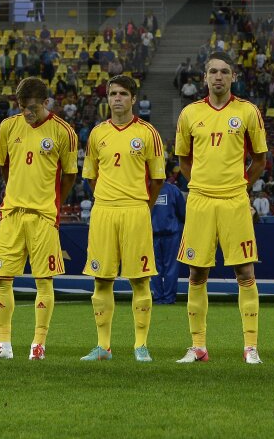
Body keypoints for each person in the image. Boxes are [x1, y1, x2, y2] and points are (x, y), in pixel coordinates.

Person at [173, 51, 268, 364]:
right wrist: (201, 183)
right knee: (196, 271)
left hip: (234, 200)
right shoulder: (189, 114)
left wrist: (240, 185)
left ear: (233, 77)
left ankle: (250, 347)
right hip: (200, 200)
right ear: (204, 77)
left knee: (245, 271)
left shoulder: (248, 112)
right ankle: (198, 346)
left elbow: (260, 159)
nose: (218, 77)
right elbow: (183, 159)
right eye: (213, 71)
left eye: (224, 71)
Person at [0, 76, 76, 361]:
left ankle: (38, 345)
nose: (27, 112)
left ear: (46, 103)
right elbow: (4, 167)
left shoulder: (63, 131)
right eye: (22, 107)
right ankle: (3, 344)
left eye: (33, 108)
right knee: (2, 279)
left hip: (43, 217)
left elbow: (69, 176)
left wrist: (52, 203)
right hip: (11, 214)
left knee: (43, 281)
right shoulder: (7, 127)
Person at [80, 75, 166, 362]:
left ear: (133, 99)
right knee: (101, 280)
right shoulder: (97, 134)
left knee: (140, 280)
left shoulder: (148, 133)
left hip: (135, 211)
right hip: (104, 211)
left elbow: (157, 179)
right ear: (107, 98)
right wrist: (108, 198)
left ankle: (140, 345)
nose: (117, 98)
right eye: (113, 94)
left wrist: (142, 206)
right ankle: (103, 347)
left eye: (123, 94)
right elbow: (91, 176)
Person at [150, 174, 186, 305]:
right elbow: (183, 213)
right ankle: (168, 298)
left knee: (156, 268)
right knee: (170, 268)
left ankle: (159, 296)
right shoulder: (173, 190)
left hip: (160, 235)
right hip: (168, 234)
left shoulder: (147, 189)